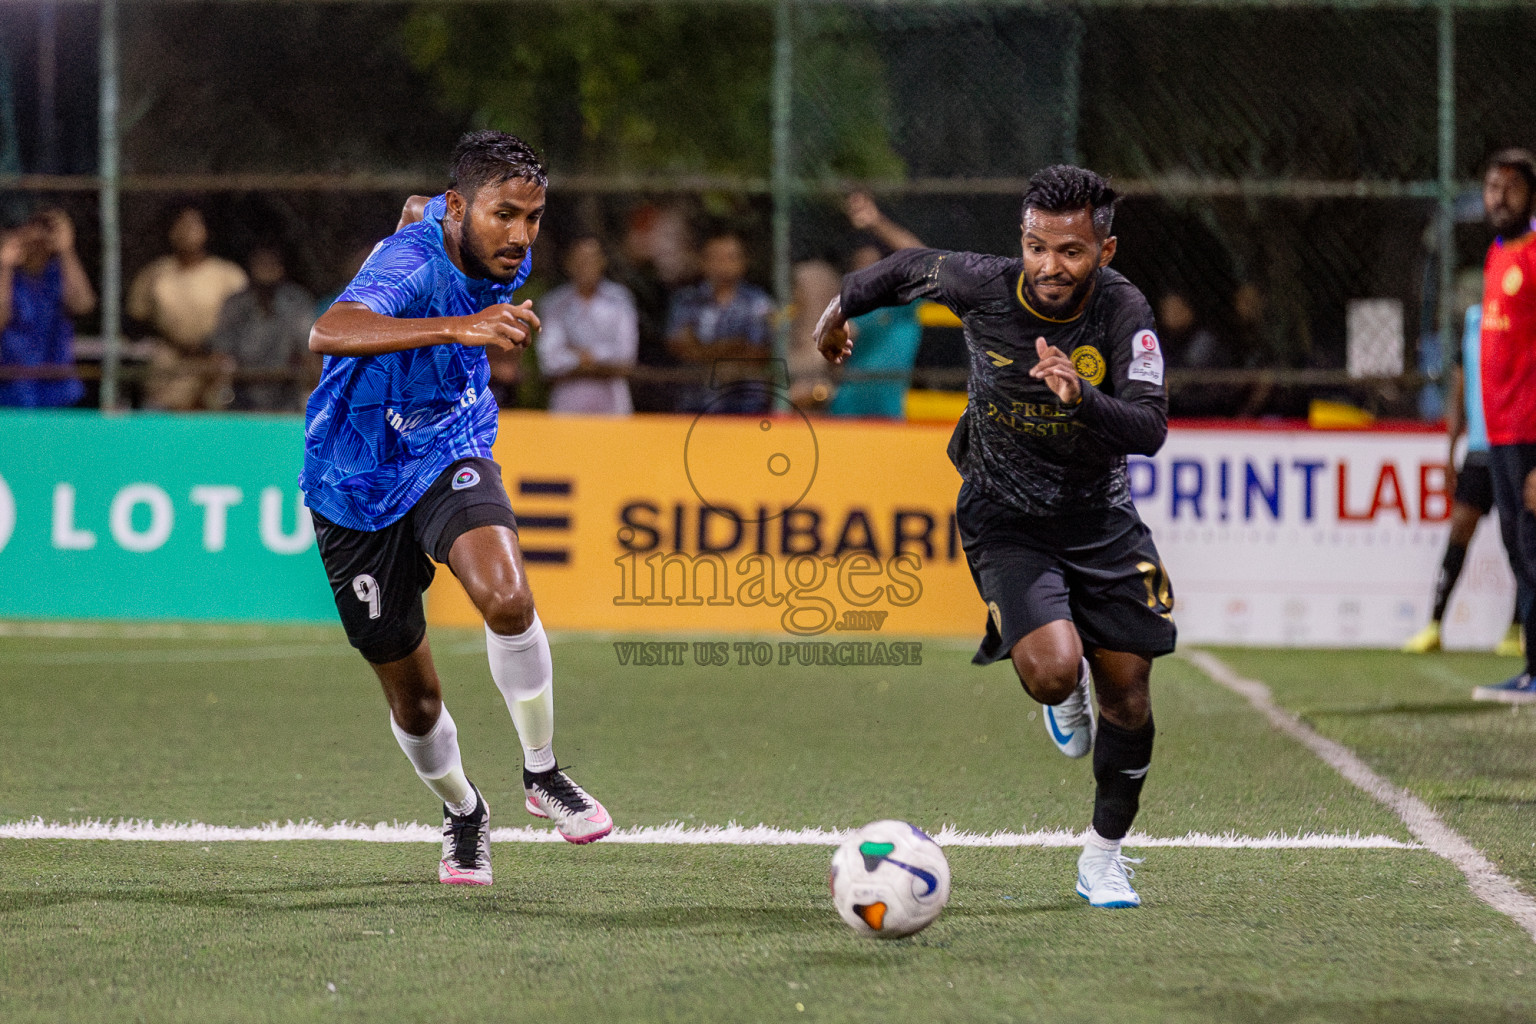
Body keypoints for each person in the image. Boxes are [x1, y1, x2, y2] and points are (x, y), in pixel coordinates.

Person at [815, 165, 1173, 909]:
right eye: (1037, 246)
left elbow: (1149, 428)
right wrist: (836, 310)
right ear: (1022, 240)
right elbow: (906, 269)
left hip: (1100, 521)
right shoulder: (983, 284)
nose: (1050, 266)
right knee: (1052, 671)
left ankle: (1102, 859)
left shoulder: (1123, 309)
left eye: (1070, 251)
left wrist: (1083, 400)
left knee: (1130, 697)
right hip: (1005, 516)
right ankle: (1059, 684)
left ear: (1103, 253)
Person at [301, 129, 613, 886]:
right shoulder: (408, 259)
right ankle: (463, 809)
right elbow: (327, 331)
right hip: (354, 479)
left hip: (448, 445)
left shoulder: (496, 248)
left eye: (533, 217)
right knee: (416, 701)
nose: (521, 235)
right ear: (459, 206)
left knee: (508, 598)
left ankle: (542, 773)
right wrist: (461, 327)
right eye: (505, 214)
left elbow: (431, 218)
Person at [1403, 298, 1526, 657]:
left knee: (1520, 538)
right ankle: (1434, 625)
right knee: (1460, 528)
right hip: (1479, 450)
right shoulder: (1474, 322)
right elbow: (1460, 388)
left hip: (1516, 445)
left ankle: (1518, 629)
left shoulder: (1525, 316)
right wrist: (1449, 451)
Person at [1470, 148, 1536, 703]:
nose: (1499, 197)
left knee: (1533, 548)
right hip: (1501, 433)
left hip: (1530, 435)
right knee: (1518, 547)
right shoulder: (1497, 254)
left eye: (1510, 187)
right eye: (1492, 186)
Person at [127, 206, 248, 410]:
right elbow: (136, 319)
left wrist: (216, 349)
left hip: (215, 366)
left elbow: (245, 322)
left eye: (194, 225)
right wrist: (173, 341)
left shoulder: (228, 275)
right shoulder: (154, 274)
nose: (187, 231)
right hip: (169, 368)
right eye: (181, 225)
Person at [827, 193, 926, 419]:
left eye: (874, 266)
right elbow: (832, 357)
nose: (866, 273)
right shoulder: (846, 308)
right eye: (859, 267)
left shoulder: (902, 303)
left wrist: (875, 221)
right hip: (845, 412)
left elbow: (923, 260)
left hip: (887, 414)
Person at [666, 231, 776, 414]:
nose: (723, 264)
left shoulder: (758, 302)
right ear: (703, 262)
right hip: (694, 402)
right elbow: (679, 346)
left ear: (743, 262)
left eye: (730, 257)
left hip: (744, 404)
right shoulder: (687, 300)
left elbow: (758, 352)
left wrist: (702, 349)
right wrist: (733, 347)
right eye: (716, 258)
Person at [0, 207, 96, 407]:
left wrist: (67, 250)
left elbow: (83, 305)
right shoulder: (7, 277)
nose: (36, 237)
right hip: (10, 389)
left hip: (56, 389)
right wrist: (5, 267)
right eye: (29, 228)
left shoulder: (59, 273)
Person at [535, 236, 639, 414]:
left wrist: (577, 354)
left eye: (591, 259)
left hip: (612, 406)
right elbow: (550, 362)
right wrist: (603, 359)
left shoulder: (619, 300)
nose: (586, 266)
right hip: (567, 406)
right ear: (568, 263)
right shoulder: (553, 305)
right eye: (580, 260)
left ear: (602, 262)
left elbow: (625, 358)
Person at [208, 245, 317, 412]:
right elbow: (220, 354)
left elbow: (309, 353)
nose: (266, 270)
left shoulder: (296, 302)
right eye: (261, 264)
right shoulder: (235, 304)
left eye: (272, 264)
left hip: (286, 394)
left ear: (281, 269)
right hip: (242, 395)